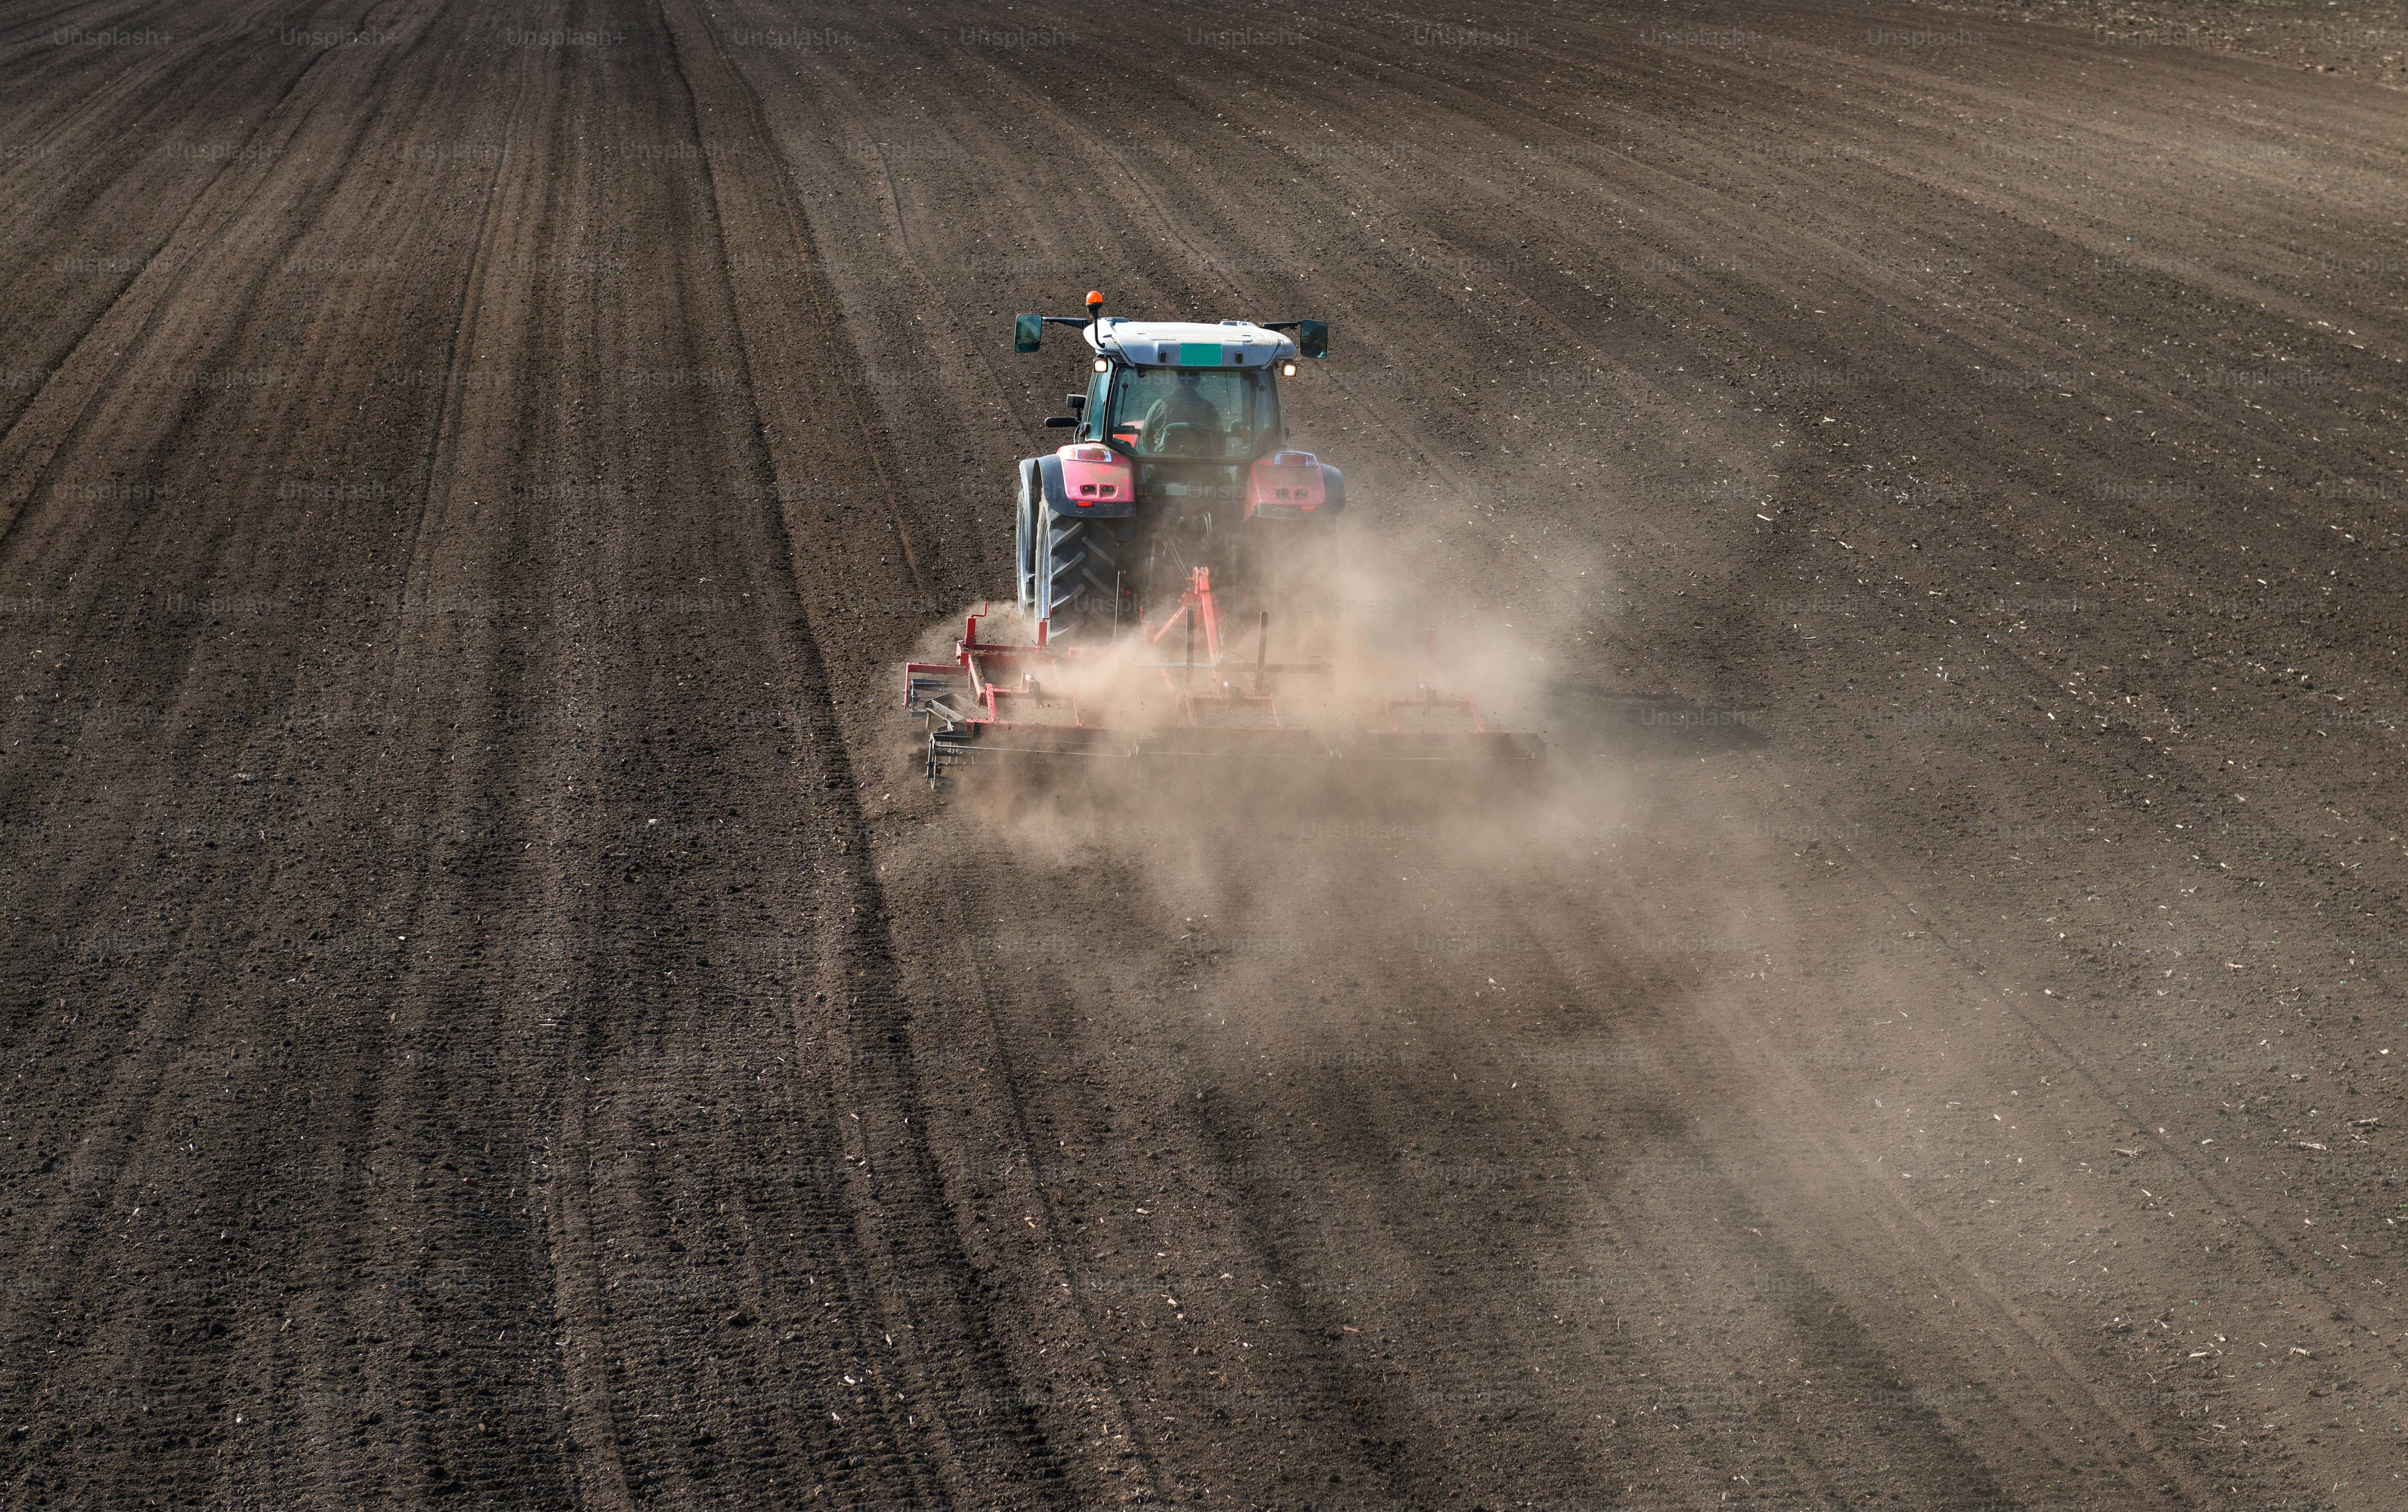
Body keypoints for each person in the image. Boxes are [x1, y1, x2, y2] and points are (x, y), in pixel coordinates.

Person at [1140, 371, 1223, 455]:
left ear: (1176, 380)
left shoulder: (1158, 407)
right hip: (1201, 466)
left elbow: (1145, 440)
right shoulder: (1209, 408)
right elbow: (1221, 442)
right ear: (1198, 382)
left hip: (1163, 467)